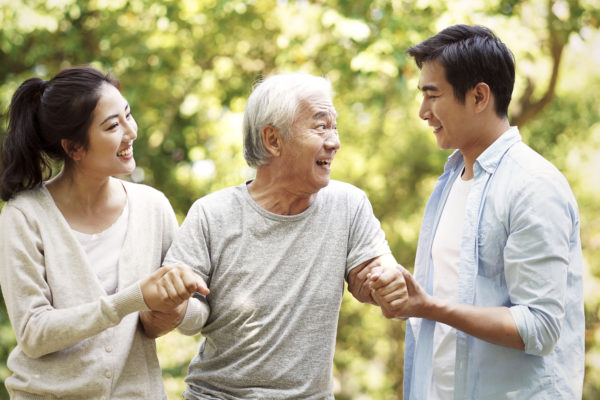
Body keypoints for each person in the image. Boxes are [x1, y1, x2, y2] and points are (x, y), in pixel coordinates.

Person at [369, 24, 585, 399]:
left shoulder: (533, 185)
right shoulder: (450, 181)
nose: (423, 111)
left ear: (479, 96)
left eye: (432, 95)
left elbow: (539, 326)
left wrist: (429, 307)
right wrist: (405, 298)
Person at [160, 72, 407, 399]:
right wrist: (174, 304)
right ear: (273, 140)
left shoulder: (348, 205)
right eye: (321, 126)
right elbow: (187, 316)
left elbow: (372, 276)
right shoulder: (212, 213)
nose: (334, 141)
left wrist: (384, 283)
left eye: (335, 127)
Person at [0, 66, 208, 399]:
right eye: (112, 126)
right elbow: (33, 333)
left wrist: (177, 308)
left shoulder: (152, 207)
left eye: (128, 115)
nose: (131, 132)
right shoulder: (25, 214)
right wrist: (132, 299)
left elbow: (198, 313)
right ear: (74, 148)